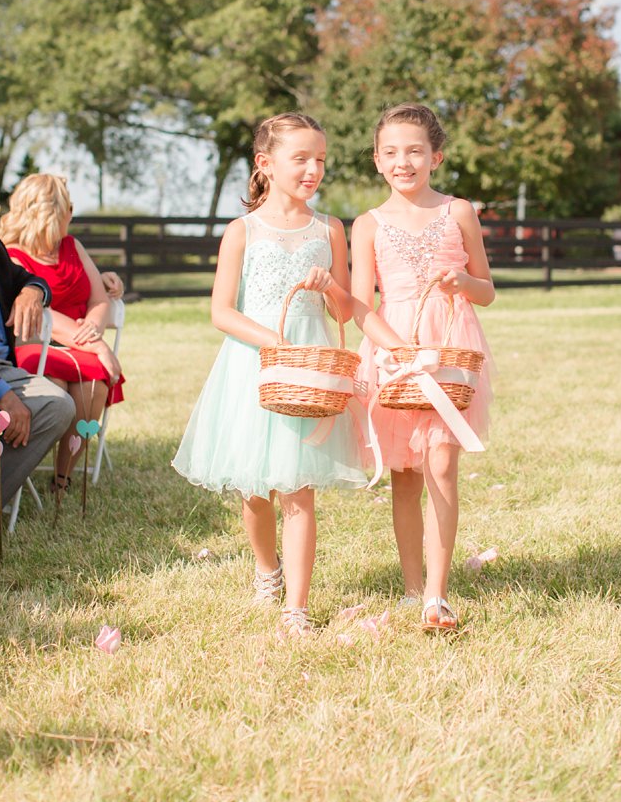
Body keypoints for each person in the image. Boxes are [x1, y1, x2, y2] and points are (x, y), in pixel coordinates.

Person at [173, 112, 405, 639]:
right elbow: (221, 311)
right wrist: (271, 341)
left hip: (311, 367)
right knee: (255, 489)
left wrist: (329, 288)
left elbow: (346, 312)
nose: (313, 169)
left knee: (299, 488)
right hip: (254, 366)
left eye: (320, 159)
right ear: (265, 163)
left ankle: (296, 608)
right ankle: (266, 568)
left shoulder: (329, 229)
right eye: (300, 158)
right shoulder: (243, 232)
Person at [351, 103, 495, 633]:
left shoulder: (458, 212)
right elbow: (361, 304)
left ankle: (438, 594)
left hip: (448, 347)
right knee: (405, 476)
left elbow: (488, 289)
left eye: (414, 150)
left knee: (440, 463)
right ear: (377, 161)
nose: (403, 161)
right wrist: (395, 348)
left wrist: (461, 283)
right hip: (395, 350)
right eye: (391, 152)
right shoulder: (368, 224)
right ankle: (413, 590)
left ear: (436, 155)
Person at [0, 173, 125, 510]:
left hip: (80, 344)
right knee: (56, 387)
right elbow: (42, 315)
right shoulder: (11, 256)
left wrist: (94, 332)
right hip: (35, 347)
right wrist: (98, 346)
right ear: (51, 212)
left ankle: (63, 476)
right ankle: (22, 470)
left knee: (91, 388)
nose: (72, 212)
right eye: (69, 206)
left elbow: (99, 298)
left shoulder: (72, 247)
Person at [0, 166, 77, 529]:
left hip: (0, 362)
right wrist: (2, 394)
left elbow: (29, 278)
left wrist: (33, 291)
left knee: (59, 406)